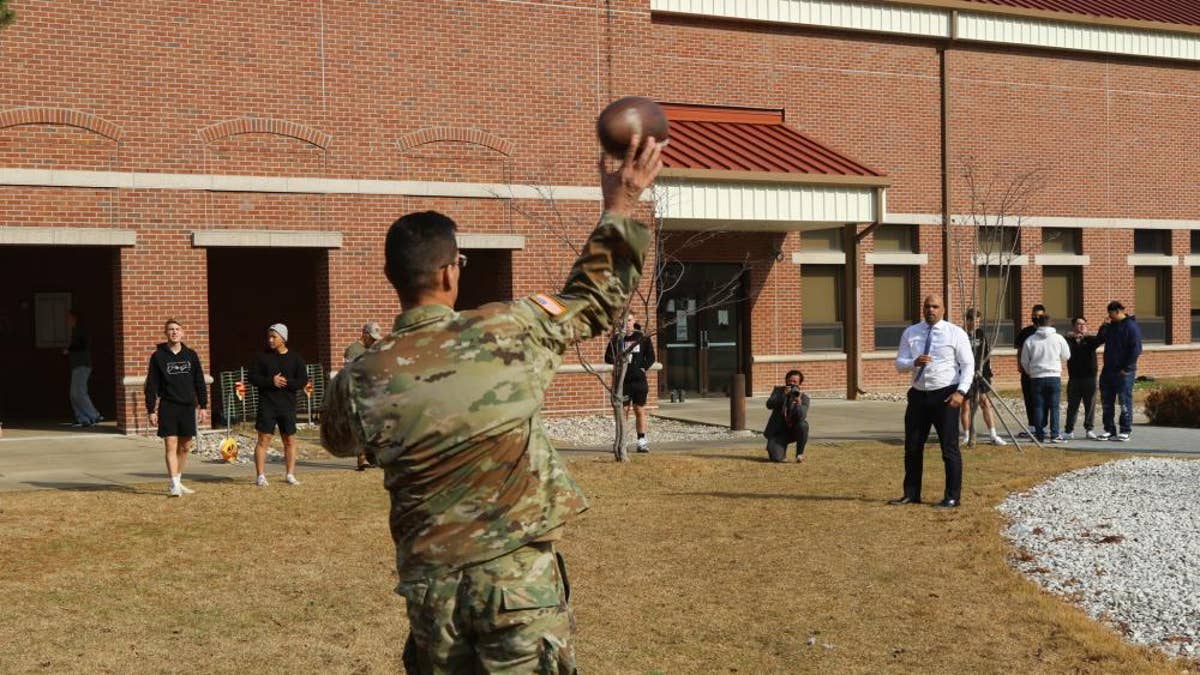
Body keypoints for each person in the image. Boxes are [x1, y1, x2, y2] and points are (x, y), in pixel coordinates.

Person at [320, 134, 662, 673]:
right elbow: (595, 300)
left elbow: (338, 440)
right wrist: (620, 207)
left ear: (394, 278)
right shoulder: (508, 329)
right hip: (517, 585)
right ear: (450, 272)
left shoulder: (362, 377)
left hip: (433, 596)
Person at [890, 294, 974, 509]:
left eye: (935, 307)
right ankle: (911, 494)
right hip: (919, 395)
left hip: (945, 395)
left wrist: (961, 392)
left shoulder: (956, 333)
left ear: (943, 309)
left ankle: (952, 497)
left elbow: (968, 365)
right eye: (927, 306)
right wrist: (913, 362)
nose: (931, 310)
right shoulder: (911, 333)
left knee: (949, 448)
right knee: (912, 447)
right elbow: (899, 364)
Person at [144, 319, 209, 497]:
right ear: (166, 333)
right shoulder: (158, 356)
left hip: (188, 407)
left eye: (177, 329)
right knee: (171, 445)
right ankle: (173, 484)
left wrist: (203, 406)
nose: (174, 332)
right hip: (168, 407)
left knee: (185, 446)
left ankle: (178, 481)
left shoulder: (191, 355)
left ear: (182, 333)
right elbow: (151, 385)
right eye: (170, 329)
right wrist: (151, 409)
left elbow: (199, 382)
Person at [248, 323, 307, 486]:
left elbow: (303, 380)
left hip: (287, 405)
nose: (270, 340)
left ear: (283, 338)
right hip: (267, 404)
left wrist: (287, 383)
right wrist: (270, 381)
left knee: (289, 440)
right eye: (269, 337)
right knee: (263, 439)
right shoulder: (262, 357)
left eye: (274, 337)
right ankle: (260, 476)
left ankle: (290, 474)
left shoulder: (295, 358)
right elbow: (252, 377)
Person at [604, 313, 656, 453]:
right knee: (623, 412)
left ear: (634, 321)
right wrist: (618, 363)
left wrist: (642, 367)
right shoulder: (616, 339)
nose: (626, 323)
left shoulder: (642, 338)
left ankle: (642, 442)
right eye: (623, 321)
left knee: (639, 410)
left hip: (638, 381)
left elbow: (651, 357)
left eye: (629, 320)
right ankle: (622, 442)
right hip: (623, 382)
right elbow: (608, 358)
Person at [1018, 313, 1071, 443]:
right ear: (1051, 323)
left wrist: (1031, 372)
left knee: (1037, 406)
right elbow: (1066, 355)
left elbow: (1024, 360)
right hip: (1053, 375)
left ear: (1037, 324)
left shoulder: (1030, 339)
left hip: (1036, 376)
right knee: (1054, 407)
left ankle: (1039, 434)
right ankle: (1054, 434)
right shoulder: (1058, 338)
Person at [1096, 300, 1142, 441]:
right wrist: (1104, 326)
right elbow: (1100, 338)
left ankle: (1125, 430)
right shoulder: (1111, 327)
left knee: (1124, 400)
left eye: (1111, 314)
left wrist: (1126, 368)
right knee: (1107, 401)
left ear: (1118, 311)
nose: (1109, 317)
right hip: (1108, 370)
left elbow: (1136, 349)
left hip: (1124, 372)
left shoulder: (1130, 326)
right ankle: (1109, 429)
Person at [960, 309, 1006, 446]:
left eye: (979, 321)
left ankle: (993, 435)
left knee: (985, 403)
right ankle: (967, 436)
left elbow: (986, 355)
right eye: (974, 321)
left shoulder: (980, 334)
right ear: (967, 320)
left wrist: (987, 373)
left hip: (981, 375)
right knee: (966, 405)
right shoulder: (961, 335)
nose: (977, 324)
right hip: (966, 375)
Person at [344, 321, 384, 470]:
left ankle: (372, 457)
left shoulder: (371, 349)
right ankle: (362, 459)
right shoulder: (353, 350)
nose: (374, 342)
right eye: (372, 338)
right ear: (365, 334)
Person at [1064, 316, 1102, 440]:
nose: (1082, 326)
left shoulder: (1090, 340)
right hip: (1074, 378)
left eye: (1084, 324)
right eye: (1079, 324)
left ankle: (1089, 429)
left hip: (1090, 378)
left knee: (1090, 405)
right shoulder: (1068, 341)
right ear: (1074, 326)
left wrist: (1086, 335)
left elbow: (1100, 339)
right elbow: (1062, 343)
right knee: (1072, 406)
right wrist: (1070, 336)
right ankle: (1069, 430)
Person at [64, 309, 102, 427]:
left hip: (82, 365)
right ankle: (83, 419)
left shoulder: (80, 330)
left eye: (69, 317)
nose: (67, 320)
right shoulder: (75, 330)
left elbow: (82, 345)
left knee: (78, 392)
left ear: (74, 318)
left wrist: (68, 349)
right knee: (74, 393)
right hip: (77, 365)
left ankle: (95, 415)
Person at [1014, 304, 1046, 439]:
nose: (1037, 318)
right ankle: (1032, 426)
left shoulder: (1048, 332)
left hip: (1042, 372)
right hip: (1027, 372)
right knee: (1029, 398)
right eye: (1035, 315)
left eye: (1040, 315)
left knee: (1043, 400)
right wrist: (1019, 365)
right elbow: (1019, 350)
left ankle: (1043, 426)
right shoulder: (1025, 332)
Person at [764, 369, 811, 462]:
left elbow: (801, 417)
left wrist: (798, 403)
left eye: (795, 382)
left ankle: (799, 454)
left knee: (803, 425)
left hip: (793, 431)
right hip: (778, 432)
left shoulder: (804, 398)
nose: (792, 384)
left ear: (799, 384)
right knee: (776, 458)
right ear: (786, 381)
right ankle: (773, 446)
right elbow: (769, 405)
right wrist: (783, 396)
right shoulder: (778, 391)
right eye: (790, 381)